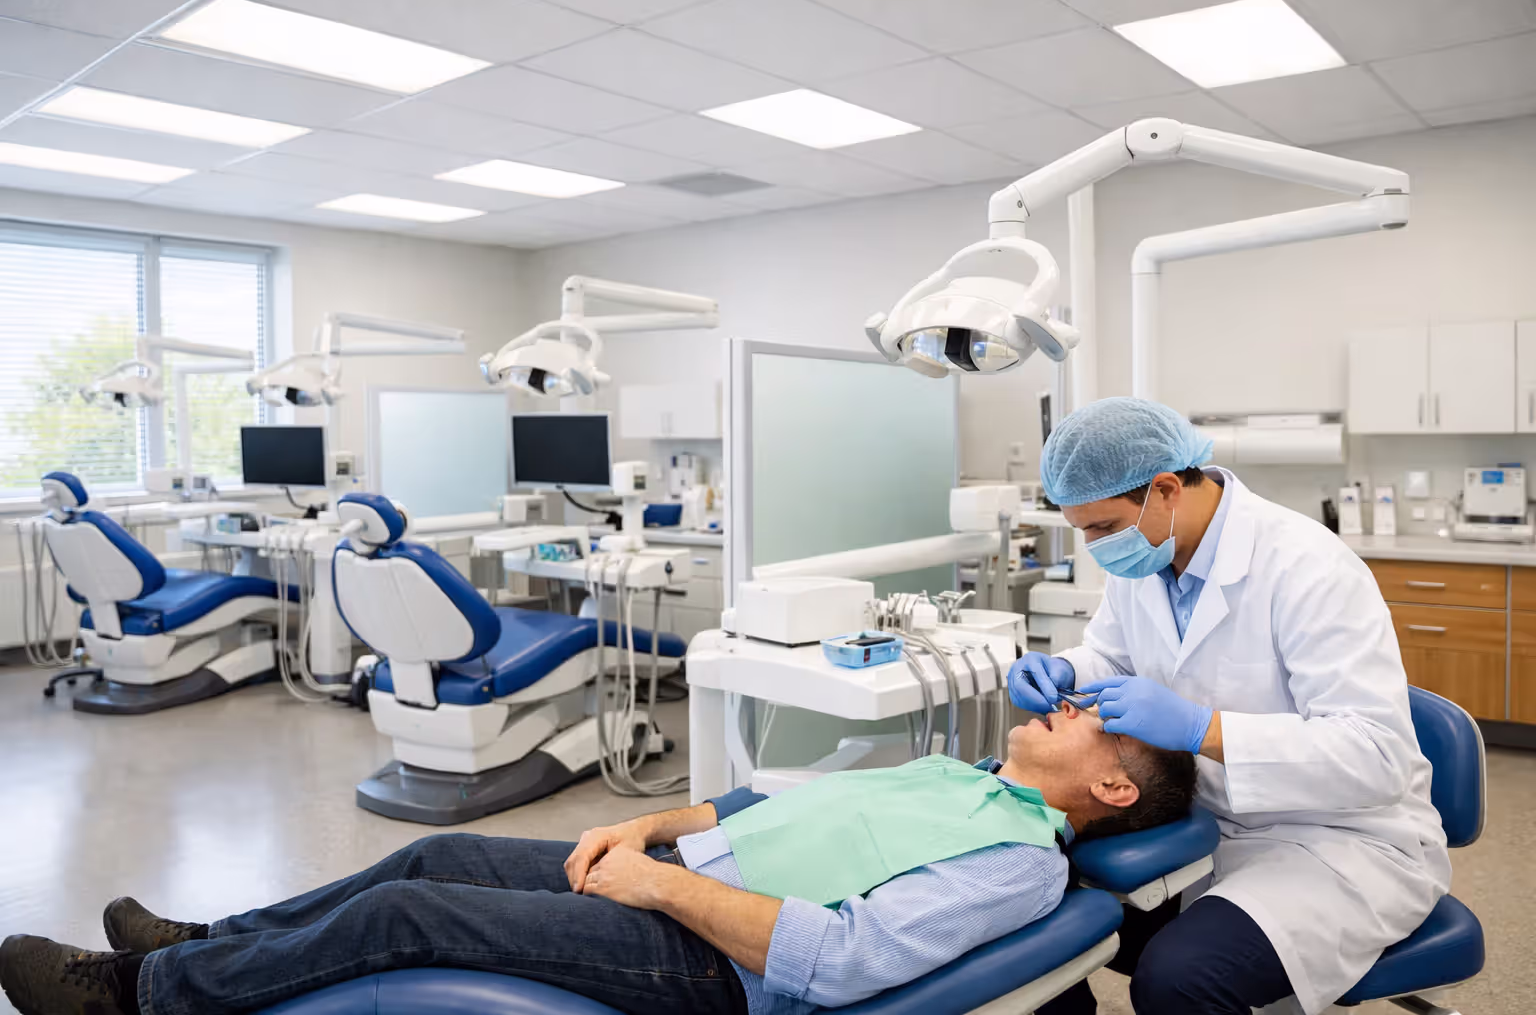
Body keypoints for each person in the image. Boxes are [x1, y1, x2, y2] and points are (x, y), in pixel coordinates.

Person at [1, 704, 1196, 1015]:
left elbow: (842, 959)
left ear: (1110, 790)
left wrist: (661, 884)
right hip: (681, 880)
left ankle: (139, 998)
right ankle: (210, 943)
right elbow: (772, 799)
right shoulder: (960, 775)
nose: (1065, 703)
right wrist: (648, 827)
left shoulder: (1020, 862)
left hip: (715, 964)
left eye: (1091, 720)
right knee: (438, 852)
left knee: (405, 921)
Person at [1011, 397, 1450, 1015]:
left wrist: (1203, 729)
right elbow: (1114, 656)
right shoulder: (1147, 553)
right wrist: (1068, 669)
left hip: (1335, 841)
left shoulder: (1309, 567)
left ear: (1166, 490)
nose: (1094, 546)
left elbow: (1376, 756)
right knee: (1028, 918)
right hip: (1203, 822)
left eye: (1103, 529)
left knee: (1178, 981)